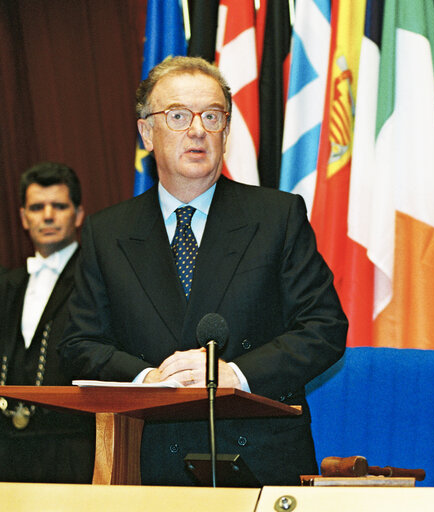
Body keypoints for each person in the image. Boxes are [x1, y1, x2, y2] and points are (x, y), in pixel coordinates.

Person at [59, 56, 347, 486]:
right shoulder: (108, 231)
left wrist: (237, 375)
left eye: (212, 116)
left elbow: (324, 328)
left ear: (226, 131)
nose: (197, 129)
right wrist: (147, 380)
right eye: (177, 115)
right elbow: (79, 343)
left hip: (260, 457)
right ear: (146, 132)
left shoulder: (277, 216)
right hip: (149, 458)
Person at [0, 162, 94, 483]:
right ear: (24, 217)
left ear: (79, 215)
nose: (48, 215)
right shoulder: (7, 284)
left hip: (71, 448)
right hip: (8, 450)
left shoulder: (95, 279)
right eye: (38, 207)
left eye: (60, 206)